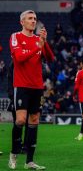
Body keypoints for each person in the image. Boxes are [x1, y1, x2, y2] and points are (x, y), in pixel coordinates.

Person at [9, 10, 54, 170]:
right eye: (30, 18)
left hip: (37, 86)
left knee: (34, 121)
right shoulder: (16, 37)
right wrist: (37, 48)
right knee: (20, 120)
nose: (33, 21)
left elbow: (50, 58)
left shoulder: (38, 40)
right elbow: (19, 58)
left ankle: (29, 161)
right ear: (22, 22)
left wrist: (44, 42)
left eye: (35, 18)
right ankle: (14, 153)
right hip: (21, 85)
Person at [7, 61, 28, 154]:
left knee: (28, 122)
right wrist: (12, 96)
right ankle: (17, 145)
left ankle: (26, 145)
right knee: (18, 121)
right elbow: (10, 81)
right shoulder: (13, 64)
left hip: (28, 94)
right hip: (17, 95)